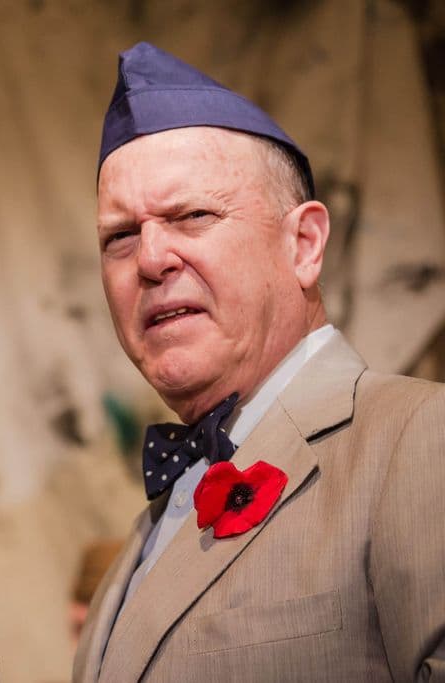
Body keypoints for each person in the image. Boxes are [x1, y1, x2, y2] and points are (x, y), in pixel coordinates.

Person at [73, 43, 445, 682]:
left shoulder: (423, 441)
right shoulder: (140, 542)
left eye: (193, 215)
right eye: (120, 236)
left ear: (304, 244)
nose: (150, 259)